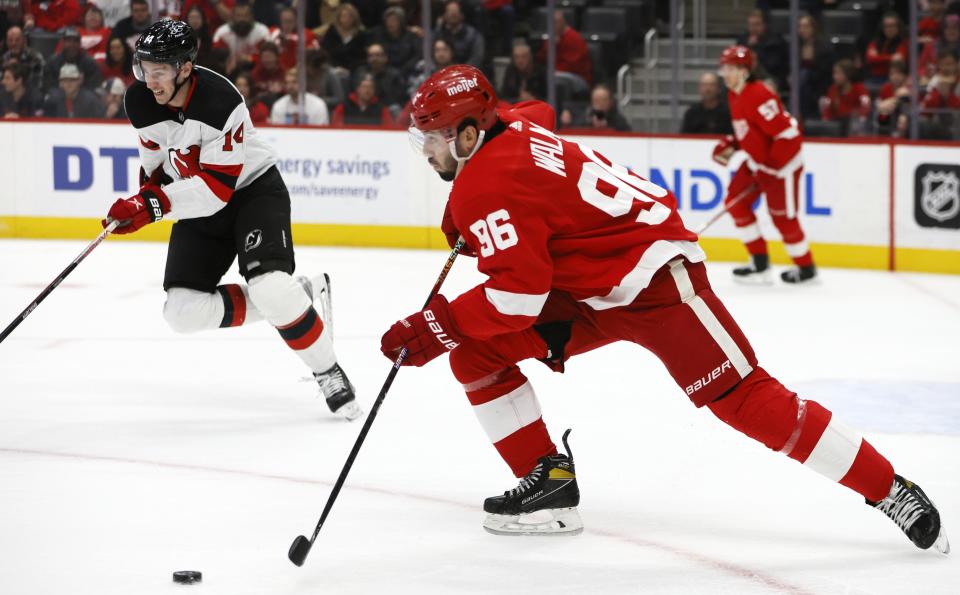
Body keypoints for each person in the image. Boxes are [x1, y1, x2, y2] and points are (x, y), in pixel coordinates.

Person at [379, 64, 950, 556]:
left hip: (658, 283)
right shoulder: (511, 126)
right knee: (477, 354)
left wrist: (438, 325)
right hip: (590, 292)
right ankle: (548, 482)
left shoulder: (487, 184)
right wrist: (470, 215)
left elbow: (516, 297)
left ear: (472, 134)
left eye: (432, 136)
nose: (426, 150)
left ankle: (888, 488)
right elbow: (539, 110)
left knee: (745, 399)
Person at [101, 20, 361, 420]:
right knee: (181, 312)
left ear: (184, 68)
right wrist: (142, 200)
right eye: (143, 69)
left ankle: (327, 369)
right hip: (195, 197)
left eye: (158, 71)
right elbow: (155, 163)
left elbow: (216, 191)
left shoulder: (221, 101)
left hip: (251, 193)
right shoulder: (140, 100)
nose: (148, 81)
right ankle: (297, 295)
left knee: (270, 285)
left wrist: (153, 206)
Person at [711, 45, 816, 284]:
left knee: (782, 218)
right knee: (736, 204)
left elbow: (789, 135)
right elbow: (752, 130)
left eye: (729, 68)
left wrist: (772, 167)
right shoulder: (733, 94)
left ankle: (805, 267)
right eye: (723, 68)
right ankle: (759, 263)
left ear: (744, 71)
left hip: (783, 164)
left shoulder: (759, 94)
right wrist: (734, 144)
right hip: (759, 162)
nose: (724, 73)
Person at [736, 9, 788, 92]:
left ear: (764, 25)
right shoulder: (743, 40)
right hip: (747, 75)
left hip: (771, 76)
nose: (754, 28)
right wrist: (748, 46)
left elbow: (773, 65)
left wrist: (757, 47)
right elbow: (738, 60)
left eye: (757, 24)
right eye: (751, 25)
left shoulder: (775, 40)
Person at [819, 58, 871, 135]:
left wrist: (858, 114)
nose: (835, 77)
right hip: (837, 130)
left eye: (838, 73)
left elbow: (866, 107)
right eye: (834, 73)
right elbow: (827, 114)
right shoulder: (832, 90)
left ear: (847, 75)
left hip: (855, 130)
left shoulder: (859, 88)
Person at [211, 0, 270, 68]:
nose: (242, 19)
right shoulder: (222, 33)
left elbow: (270, 57)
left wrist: (251, 58)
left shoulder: (262, 32)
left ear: (251, 16)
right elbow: (215, 58)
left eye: (246, 15)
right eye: (239, 15)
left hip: (256, 71)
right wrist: (230, 60)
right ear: (233, 16)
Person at [44, 26, 102, 91]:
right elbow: (48, 87)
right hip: (58, 97)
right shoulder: (53, 62)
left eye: (75, 41)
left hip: (82, 98)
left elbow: (93, 87)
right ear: (62, 43)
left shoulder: (90, 63)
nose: (72, 45)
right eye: (68, 41)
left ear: (80, 44)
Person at [433, 0, 484, 69]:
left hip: (466, 73)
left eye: (455, 11)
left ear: (462, 15)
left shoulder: (473, 35)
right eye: (450, 11)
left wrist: (461, 71)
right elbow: (431, 55)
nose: (453, 14)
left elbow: (476, 57)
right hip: (441, 71)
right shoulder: (438, 33)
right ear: (444, 15)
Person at [865, 12, 908, 85]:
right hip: (874, 79)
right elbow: (870, 59)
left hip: (894, 80)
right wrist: (891, 58)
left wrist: (878, 57)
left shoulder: (903, 42)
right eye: (887, 26)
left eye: (892, 26)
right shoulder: (875, 42)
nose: (889, 29)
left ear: (898, 27)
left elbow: (900, 60)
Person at [3, 25, 45, 94]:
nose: (13, 43)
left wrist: (18, 67)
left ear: (24, 41)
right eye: (10, 40)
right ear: (7, 42)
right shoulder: (4, 58)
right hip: (8, 97)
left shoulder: (35, 57)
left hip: (31, 95)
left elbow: (39, 83)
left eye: (17, 40)